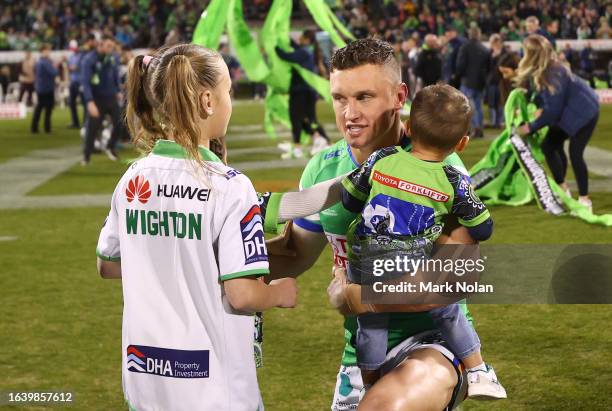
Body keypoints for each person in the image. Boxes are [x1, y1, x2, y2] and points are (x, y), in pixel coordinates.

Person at [266, 38, 483, 411]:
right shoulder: (324, 167)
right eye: (340, 98)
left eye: (364, 97)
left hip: (434, 345)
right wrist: (210, 261)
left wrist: (355, 297)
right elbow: (293, 253)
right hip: (363, 354)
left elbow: (449, 281)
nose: (349, 113)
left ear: (400, 96)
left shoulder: (441, 171)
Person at [96, 43, 298, 410]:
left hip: (144, 373)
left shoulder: (133, 177)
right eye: (228, 92)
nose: (229, 103)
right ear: (208, 101)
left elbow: (107, 263)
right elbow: (242, 295)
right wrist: (281, 293)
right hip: (213, 386)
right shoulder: (229, 185)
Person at [516, 35, 600, 212]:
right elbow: (542, 96)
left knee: (575, 154)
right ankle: (563, 191)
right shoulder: (545, 69)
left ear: (532, 54)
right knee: (550, 145)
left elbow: (552, 111)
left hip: (585, 112)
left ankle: (585, 200)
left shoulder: (554, 72)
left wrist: (529, 127)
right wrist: (533, 101)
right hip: (569, 111)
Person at [276, 29, 330, 158]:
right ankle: (324, 140)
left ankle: (298, 147)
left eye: (301, 37)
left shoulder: (304, 53)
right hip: (308, 91)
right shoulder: (309, 50)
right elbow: (295, 47)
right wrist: (285, 37)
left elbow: (285, 56)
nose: (299, 39)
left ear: (306, 39)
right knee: (310, 119)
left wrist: (274, 46)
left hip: (300, 91)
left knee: (296, 119)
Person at [81, 35, 122, 164]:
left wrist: (118, 91)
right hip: (96, 99)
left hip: (111, 96)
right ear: (101, 45)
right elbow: (85, 82)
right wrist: (89, 101)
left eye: (112, 46)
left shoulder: (113, 57)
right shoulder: (89, 59)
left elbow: (115, 74)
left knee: (120, 123)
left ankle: (110, 146)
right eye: (109, 46)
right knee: (92, 128)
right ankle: (86, 156)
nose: (111, 49)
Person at [456, 26, 489, 138]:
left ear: (470, 35)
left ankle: (472, 129)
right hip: (480, 83)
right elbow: (488, 68)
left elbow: (460, 66)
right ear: (479, 35)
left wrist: (457, 76)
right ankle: (479, 128)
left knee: (466, 106)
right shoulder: (485, 49)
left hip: (467, 82)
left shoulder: (465, 47)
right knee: (478, 106)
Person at [31, 44, 58, 134]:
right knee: (47, 108)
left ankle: (34, 127)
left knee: (40, 107)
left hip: (40, 87)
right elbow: (54, 72)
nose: (49, 52)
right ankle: (47, 128)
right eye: (47, 50)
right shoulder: (45, 62)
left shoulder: (39, 62)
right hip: (47, 88)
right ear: (43, 51)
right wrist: (55, 65)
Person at [486, 34, 505, 128]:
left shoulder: (504, 53)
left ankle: (500, 122)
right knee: (492, 102)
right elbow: (487, 67)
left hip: (501, 81)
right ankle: (493, 122)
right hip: (491, 81)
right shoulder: (489, 53)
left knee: (500, 102)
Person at [67, 39, 83, 128]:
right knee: (71, 103)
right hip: (73, 81)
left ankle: (86, 122)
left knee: (85, 103)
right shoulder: (71, 57)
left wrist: (73, 68)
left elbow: (76, 67)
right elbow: (70, 68)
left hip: (80, 82)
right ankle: (75, 122)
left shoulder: (81, 56)